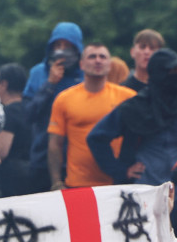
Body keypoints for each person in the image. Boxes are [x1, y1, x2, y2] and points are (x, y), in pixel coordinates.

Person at [89, 48, 177, 242]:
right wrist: (120, 169)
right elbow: (96, 137)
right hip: (144, 192)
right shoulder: (133, 108)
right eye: (171, 71)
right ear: (158, 74)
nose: (176, 76)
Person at [46, 42, 136, 190]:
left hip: (118, 182)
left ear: (110, 64)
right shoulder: (64, 99)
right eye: (92, 57)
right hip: (78, 184)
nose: (98, 60)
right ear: (81, 64)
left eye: (103, 57)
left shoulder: (128, 97)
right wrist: (56, 182)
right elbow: (55, 143)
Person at [24, 22, 86, 194]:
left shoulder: (85, 76)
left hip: (77, 161)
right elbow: (28, 114)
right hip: (42, 157)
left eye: (67, 46)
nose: (61, 50)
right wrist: (49, 84)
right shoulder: (38, 73)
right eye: (58, 45)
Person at [0, 63, 33, 197]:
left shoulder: (9, 113)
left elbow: (2, 151)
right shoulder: (32, 108)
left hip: (13, 180)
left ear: (4, 84)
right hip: (33, 174)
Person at [122, 28, 165, 93]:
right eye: (142, 47)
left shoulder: (167, 89)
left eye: (152, 48)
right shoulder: (123, 90)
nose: (147, 52)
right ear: (132, 52)